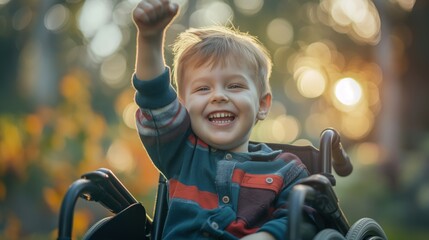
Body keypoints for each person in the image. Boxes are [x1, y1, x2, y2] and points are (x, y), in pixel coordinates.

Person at [131, 0, 309, 239]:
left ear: (262, 105)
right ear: (183, 107)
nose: (218, 96)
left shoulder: (286, 169)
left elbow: (306, 217)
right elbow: (155, 98)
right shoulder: (181, 152)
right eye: (203, 89)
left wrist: (268, 236)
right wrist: (149, 39)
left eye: (234, 86)